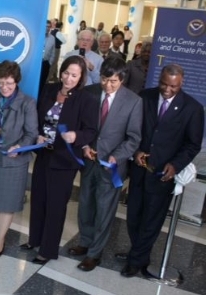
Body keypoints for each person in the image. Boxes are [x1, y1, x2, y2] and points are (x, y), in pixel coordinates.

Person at [117, 64, 204, 277]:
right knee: (134, 215)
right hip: (139, 169)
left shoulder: (192, 108)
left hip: (163, 174)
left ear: (181, 83)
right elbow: (132, 127)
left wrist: (175, 165)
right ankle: (138, 253)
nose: (167, 89)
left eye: (172, 86)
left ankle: (136, 260)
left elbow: (192, 144)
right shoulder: (144, 97)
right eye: (164, 84)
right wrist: (136, 150)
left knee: (152, 220)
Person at [21, 56, 99, 265]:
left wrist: (76, 137)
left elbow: (91, 130)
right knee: (38, 199)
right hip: (43, 153)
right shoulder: (49, 89)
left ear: (81, 77)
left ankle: (47, 249)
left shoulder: (87, 99)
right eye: (66, 73)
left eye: (74, 75)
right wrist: (37, 134)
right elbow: (38, 116)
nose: (68, 79)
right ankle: (34, 239)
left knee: (55, 205)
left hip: (65, 160)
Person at [68, 57, 142, 271]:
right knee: (86, 205)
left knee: (104, 210)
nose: (107, 85)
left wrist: (116, 156)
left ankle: (95, 254)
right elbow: (79, 124)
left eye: (113, 81)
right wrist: (84, 146)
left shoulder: (133, 102)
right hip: (89, 160)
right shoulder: (89, 92)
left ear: (122, 79)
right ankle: (84, 242)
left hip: (112, 167)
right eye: (104, 79)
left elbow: (134, 138)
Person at [0, 61, 38, 258]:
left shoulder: (27, 102)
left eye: (9, 83)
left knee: (7, 203)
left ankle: (0, 239)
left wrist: (19, 147)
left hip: (13, 161)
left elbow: (32, 134)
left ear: (17, 81)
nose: (4, 87)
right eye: (0, 83)